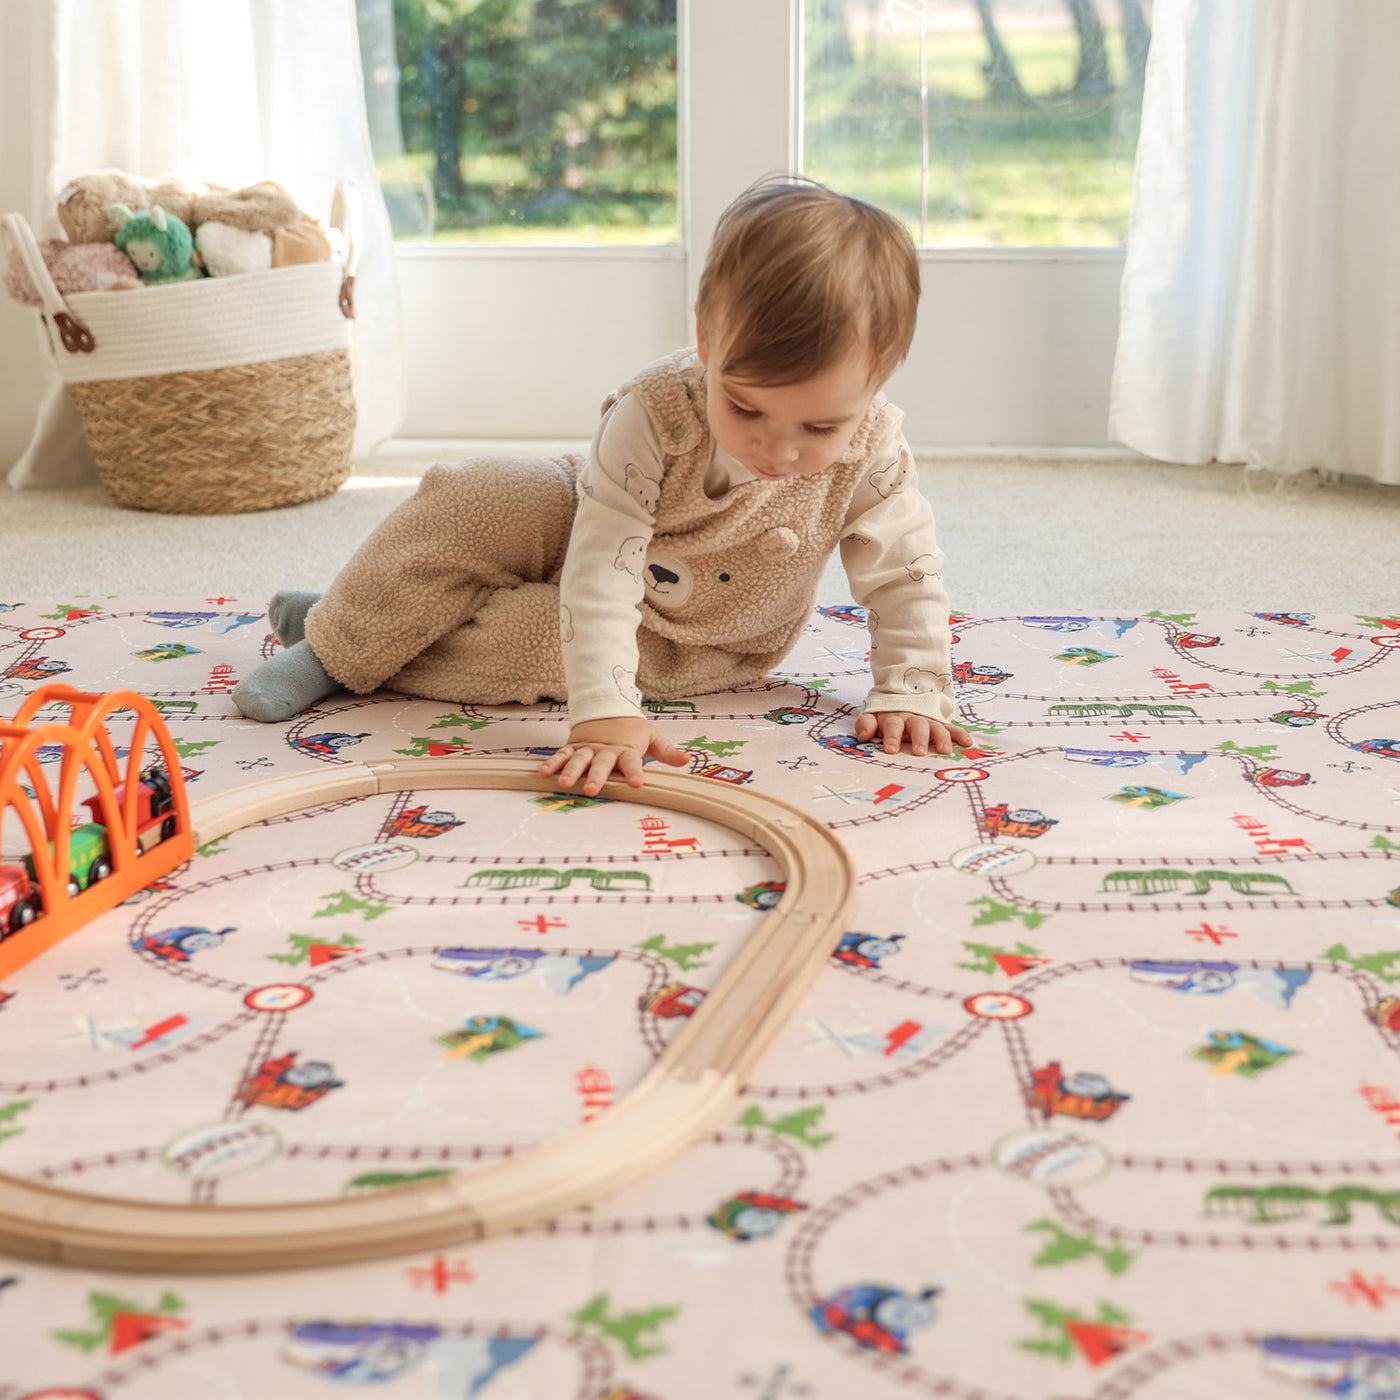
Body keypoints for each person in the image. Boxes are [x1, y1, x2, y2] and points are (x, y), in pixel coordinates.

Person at [232, 174, 971, 793]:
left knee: (536, 639)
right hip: (599, 526)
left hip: (699, 630)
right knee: (476, 495)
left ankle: (357, 628)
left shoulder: (874, 446)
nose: (777, 448)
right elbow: (600, 561)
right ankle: (337, 643)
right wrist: (604, 708)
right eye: (745, 408)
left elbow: (904, 573)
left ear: (877, 383)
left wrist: (912, 684)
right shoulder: (653, 413)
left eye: (819, 429)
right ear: (708, 342)